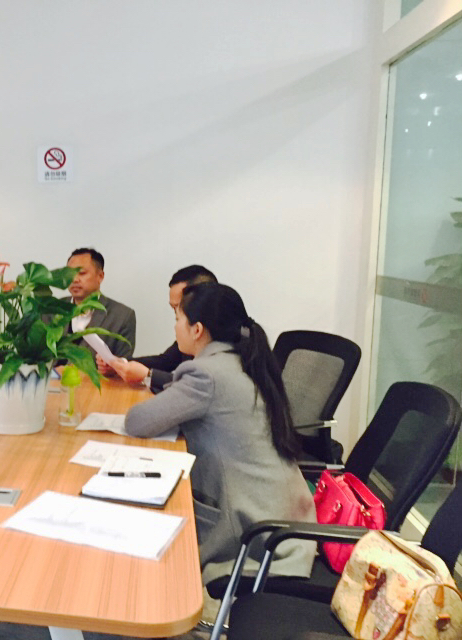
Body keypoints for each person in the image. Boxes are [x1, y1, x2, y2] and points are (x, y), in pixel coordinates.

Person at [124, 282, 316, 584]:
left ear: (197, 329)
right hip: (282, 515)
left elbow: (137, 422)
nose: (175, 327)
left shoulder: (207, 374)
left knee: (143, 545)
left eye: (178, 318)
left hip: (254, 532)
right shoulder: (242, 361)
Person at [101, 265, 217, 392]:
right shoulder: (189, 335)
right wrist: (120, 364)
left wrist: (148, 376)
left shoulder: (224, 342)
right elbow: (165, 361)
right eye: (173, 309)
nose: (176, 316)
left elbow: (196, 386)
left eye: (179, 307)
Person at [65, 247, 136, 359]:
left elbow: (123, 365)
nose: (75, 279)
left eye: (82, 273)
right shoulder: (51, 309)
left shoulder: (122, 316)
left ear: (100, 276)